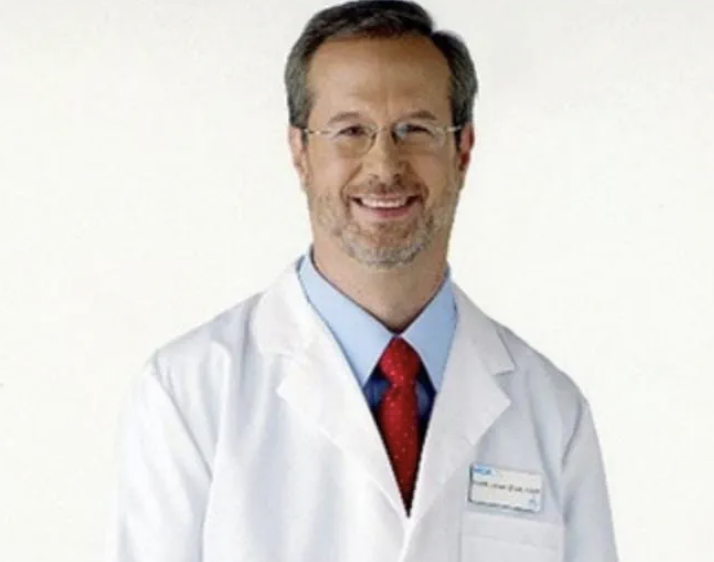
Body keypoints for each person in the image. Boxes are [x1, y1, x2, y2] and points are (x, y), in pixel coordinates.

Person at [105, 1, 619, 561]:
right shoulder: (189, 395)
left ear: (463, 150)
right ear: (300, 151)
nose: (384, 165)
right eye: (350, 130)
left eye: (414, 129)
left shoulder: (551, 411)